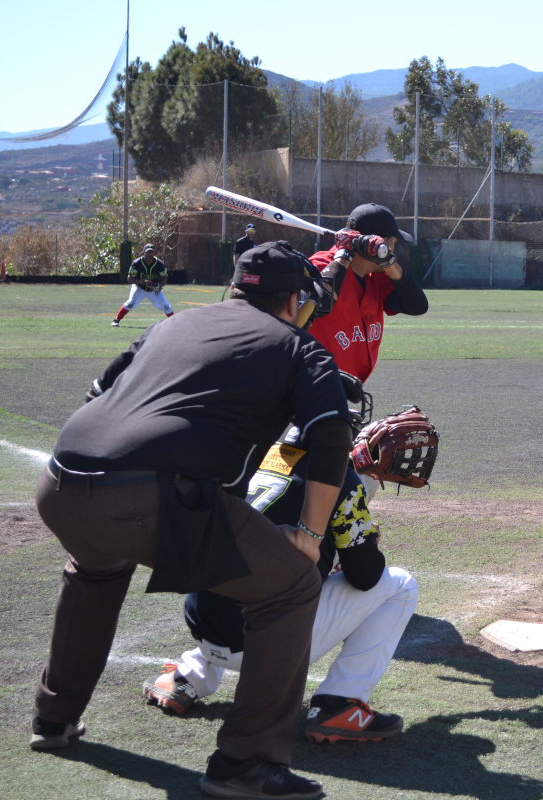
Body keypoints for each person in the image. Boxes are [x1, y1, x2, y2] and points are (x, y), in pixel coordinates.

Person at [33, 241, 351, 800]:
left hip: (60, 481)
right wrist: (309, 535)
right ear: (294, 300)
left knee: (96, 570)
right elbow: (330, 439)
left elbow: (98, 393)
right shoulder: (300, 347)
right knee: (293, 585)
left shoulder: (173, 324)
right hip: (147, 498)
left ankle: (53, 719)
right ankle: (246, 763)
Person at [142, 383, 419, 744]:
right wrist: (363, 542)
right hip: (265, 643)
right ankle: (338, 704)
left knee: (244, 568)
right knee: (400, 585)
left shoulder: (251, 452)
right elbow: (366, 576)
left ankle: (187, 676)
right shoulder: (340, 476)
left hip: (202, 623)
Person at [308, 203, 428, 383]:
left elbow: (417, 306)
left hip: (348, 387)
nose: (392, 250)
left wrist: (388, 262)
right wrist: (345, 253)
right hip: (314, 385)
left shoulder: (378, 277)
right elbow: (320, 303)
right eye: (392, 244)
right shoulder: (322, 266)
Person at [112, 243, 173, 326]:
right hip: (139, 288)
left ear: (154, 253)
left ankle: (175, 323)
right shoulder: (137, 263)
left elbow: (164, 280)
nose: (150, 254)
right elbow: (129, 278)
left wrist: (159, 286)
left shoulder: (160, 264)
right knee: (130, 303)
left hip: (153, 289)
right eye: (148, 252)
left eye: (151, 252)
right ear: (143, 253)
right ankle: (116, 320)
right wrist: (140, 281)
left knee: (166, 306)